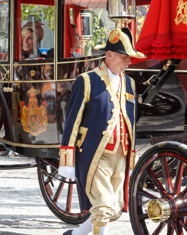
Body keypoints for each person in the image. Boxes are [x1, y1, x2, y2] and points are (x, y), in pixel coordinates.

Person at [59, 27, 145, 235]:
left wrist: (131, 160)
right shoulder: (87, 81)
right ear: (109, 55)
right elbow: (73, 121)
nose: (129, 62)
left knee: (112, 207)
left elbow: (130, 123)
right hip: (94, 155)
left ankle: (77, 234)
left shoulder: (130, 83)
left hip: (121, 155)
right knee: (103, 207)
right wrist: (67, 160)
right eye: (125, 57)